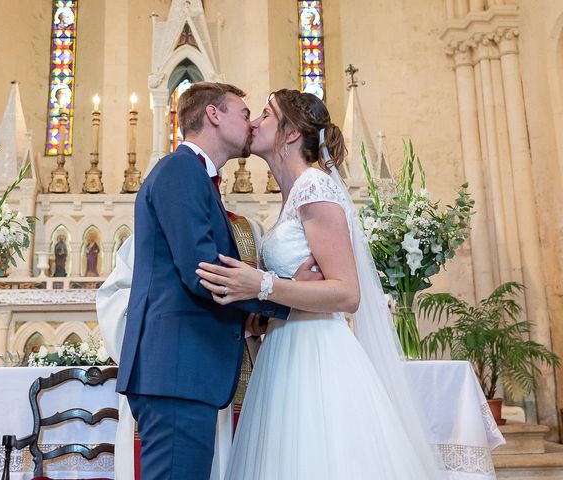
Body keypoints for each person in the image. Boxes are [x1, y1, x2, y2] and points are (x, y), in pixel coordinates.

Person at [196, 89, 446, 479]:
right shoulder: (295, 193)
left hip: (315, 353)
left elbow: (347, 292)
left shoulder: (314, 187)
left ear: (292, 133)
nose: (255, 123)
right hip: (283, 347)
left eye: (265, 114)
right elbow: (298, 285)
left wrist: (262, 286)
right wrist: (262, 308)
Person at [116, 82, 315, 480]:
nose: (252, 123)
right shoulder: (179, 169)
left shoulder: (195, 176)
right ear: (213, 115)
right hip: (177, 371)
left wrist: (256, 312)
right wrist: (290, 298)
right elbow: (202, 271)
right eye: (244, 113)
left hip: (185, 372)